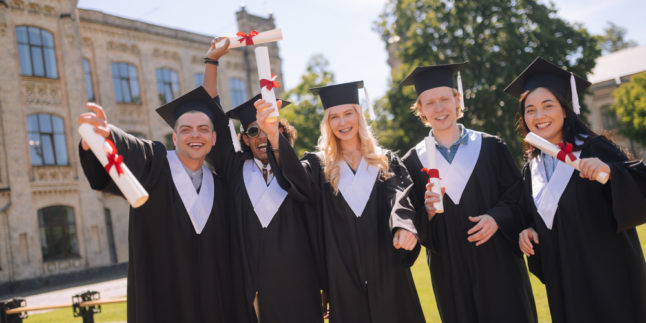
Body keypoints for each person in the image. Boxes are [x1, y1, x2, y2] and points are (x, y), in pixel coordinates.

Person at [267, 80, 425, 323]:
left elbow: (399, 196)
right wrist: (273, 137)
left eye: (348, 114)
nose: (342, 123)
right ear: (327, 123)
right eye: (334, 117)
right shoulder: (320, 167)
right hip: (343, 278)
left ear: (359, 115)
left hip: (388, 270)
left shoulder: (384, 161)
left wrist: (403, 225)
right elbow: (295, 178)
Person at [505, 56, 646, 323]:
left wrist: (611, 172)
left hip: (610, 279)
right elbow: (532, 215)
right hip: (566, 284)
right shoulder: (531, 169)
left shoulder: (594, 148)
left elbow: (640, 181)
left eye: (548, 105)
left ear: (565, 109)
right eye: (530, 109)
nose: (539, 115)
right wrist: (528, 230)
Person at [78, 85, 233, 321]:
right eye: (185, 130)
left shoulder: (221, 189)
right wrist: (105, 138)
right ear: (174, 137)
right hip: (162, 306)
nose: (195, 135)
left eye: (203, 129)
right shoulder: (155, 166)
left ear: (213, 138)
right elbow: (133, 150)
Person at [399, 63, 537, 322]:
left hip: (499, 263)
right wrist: (427, 211)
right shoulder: (411, 162)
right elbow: (410, 221)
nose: (439, 108)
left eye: (444, 99)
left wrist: (496, 218)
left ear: (457, 100)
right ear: (421, 110)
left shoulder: (491, 147)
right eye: (430, 103)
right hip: (449, 270)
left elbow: (518, 198)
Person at [203, 83, 324, 322]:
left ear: (280, 131)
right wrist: (212, 62)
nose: (261, 136)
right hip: (254, 291)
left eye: (267, 129)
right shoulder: (236, 171)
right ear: (245, 141)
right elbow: (213, 118)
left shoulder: (301, 171)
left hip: (300, 287)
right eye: (252, 132)